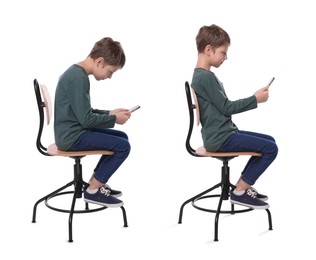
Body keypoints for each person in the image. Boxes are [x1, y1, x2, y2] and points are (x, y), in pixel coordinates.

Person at [191, 25, 278, 209]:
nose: (226, 57)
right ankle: (240, 191)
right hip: (221, 139)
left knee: (270, 141)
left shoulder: (203, 76)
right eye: (223, 52)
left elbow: (222, 108)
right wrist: (255, 99)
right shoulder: (204, 78)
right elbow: (226, 107)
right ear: (208, 50)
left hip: (221, 134)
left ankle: (242, 187)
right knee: (270, 149)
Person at [54, 37, 131, 208]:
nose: (110, 77)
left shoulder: (77, 73)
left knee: (122, 137)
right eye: (110, 72)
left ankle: (95, 182)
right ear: (100, 62)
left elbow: (84, 113)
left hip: (72, 131)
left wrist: (110, 113)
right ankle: (93, 191)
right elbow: (87, 120)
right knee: (123, 146)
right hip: (71, 137)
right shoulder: (78, 78)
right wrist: (114, 119)